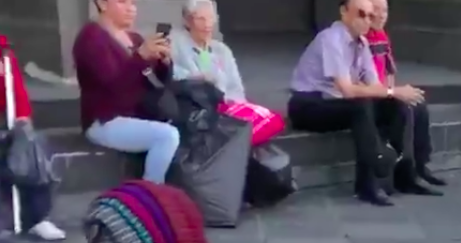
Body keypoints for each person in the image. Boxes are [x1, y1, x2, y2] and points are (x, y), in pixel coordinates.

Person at [287, 0, 437, 207]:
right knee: (361, 107)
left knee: (395, 105)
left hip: (336, 103)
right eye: (361, 14)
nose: (367, 20)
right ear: (344, 11)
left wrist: (395, 95)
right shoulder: (331, 39)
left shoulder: (363, 43)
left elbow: (375, 86)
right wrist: (392, 91)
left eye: (370, 16)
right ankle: (375, 167)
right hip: (307, 105)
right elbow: (347, 90)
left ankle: (403, 174)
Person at [72, 0, 181, 184]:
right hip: (104, 120)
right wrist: (141, 57)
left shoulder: (135, 39)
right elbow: (114, 88)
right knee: (167, 136)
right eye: (123, 2)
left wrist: (163, 63)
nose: (131, 8)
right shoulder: (91, 38)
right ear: (102, 4)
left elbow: (155, 82)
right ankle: (149, 192)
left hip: (137, 114)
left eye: (133, 3)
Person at [171, 0, 286, 146]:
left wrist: (235, 104)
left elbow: (235, 86)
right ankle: (230, 144)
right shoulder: (177, 44)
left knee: (272, 119)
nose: (207, 25)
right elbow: (175, 76)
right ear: (188, 21)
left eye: (211, 18)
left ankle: (229, 144)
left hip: (227, 104)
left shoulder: (221, 50)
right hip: (201, 108)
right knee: (248, 127)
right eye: (201, 19)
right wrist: (199, 78)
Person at [365, 0, 447, 188]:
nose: (381, 15)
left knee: (418, 102)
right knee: (404, 109)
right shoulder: (362, 38)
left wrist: (393, 90)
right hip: (370, 95)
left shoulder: (382, 35)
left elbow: (389, 70)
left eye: (385, 10)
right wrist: (392, 94)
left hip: (384, 91)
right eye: (376, 10)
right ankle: (405, 171)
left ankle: (421, 164)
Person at [0, 44, 64, 243]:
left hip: (5, 121)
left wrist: (23, 118)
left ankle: (35, 217)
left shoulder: (3, 52)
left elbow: (16, 90)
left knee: (32, 153)